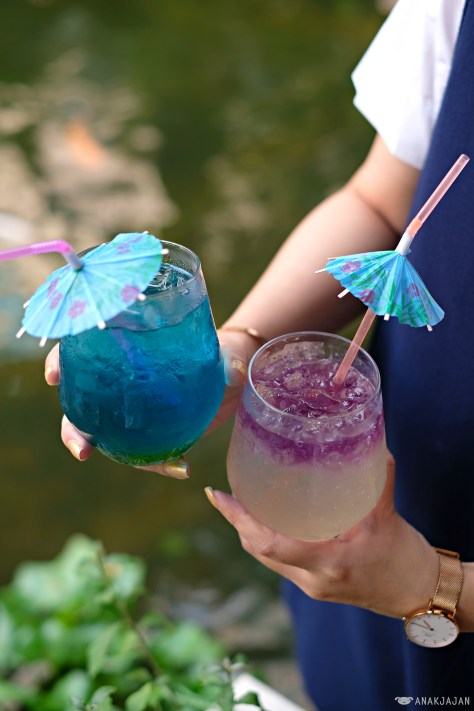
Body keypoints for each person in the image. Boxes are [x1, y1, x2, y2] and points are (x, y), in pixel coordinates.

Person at [45, 0, 474, 706]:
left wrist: (430, 583)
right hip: (363, 519)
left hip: (400, 556)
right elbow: (379, 200)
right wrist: (239, 345)